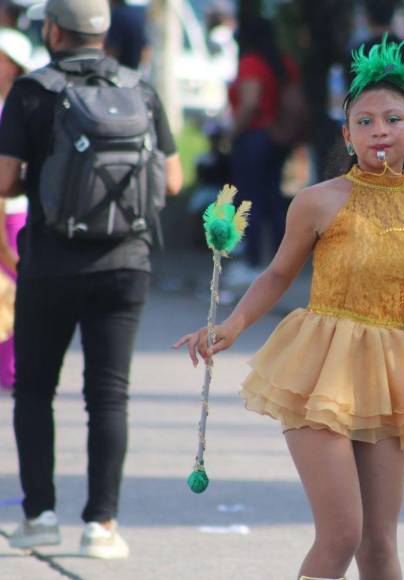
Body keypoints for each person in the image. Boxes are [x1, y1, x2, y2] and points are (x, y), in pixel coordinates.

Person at [176, 37, 404, 580]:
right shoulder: (317, 200)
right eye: (365, 122)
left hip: (387, 373)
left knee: (380, 546)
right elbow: (277, 274)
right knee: (341, 535)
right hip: (320, 370)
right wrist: (233, 324)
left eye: (392, 119)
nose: (379, 130)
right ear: (346, 135)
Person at [0, 0, 182, 558]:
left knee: (35, 389)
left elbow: (4, 181)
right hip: (125, 263)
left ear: (54, 31)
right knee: (108, 396)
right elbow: (173, 179)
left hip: (51, 262)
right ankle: (102, 525)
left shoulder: (32, 91)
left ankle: (40, 515)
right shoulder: (140, 89)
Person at [225, 15, 298, 286]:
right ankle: (283, 261)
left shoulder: (251, 63)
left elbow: (250, 103)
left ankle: (254, 261)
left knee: (249, 201)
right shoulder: (283, 62)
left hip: (254, 136)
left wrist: (231, 134)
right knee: (273, 198)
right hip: (278, 137)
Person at [0, 27, 31, 392]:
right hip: (9, 210)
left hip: (12, 213)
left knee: (11, 290)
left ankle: (10, 368)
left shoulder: (16, 107)